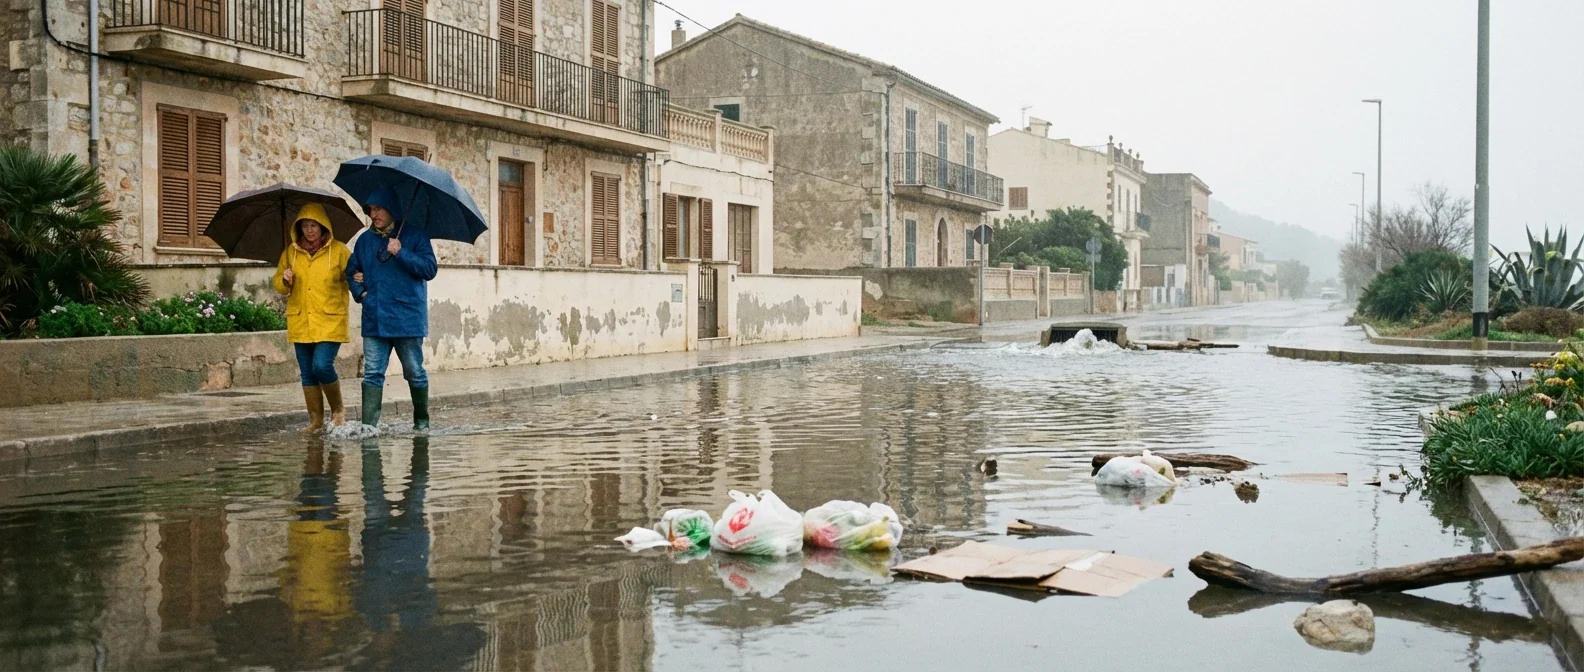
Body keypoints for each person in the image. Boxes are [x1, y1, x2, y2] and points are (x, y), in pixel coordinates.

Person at [345, 187, 438, 430]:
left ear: (391, 210)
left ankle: (421, 423)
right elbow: (351, 272)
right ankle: (369, 427)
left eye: (378, 209)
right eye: (371, 209)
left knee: (414, 372)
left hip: (407, 318)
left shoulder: (416, 236)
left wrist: (401, 252)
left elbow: (429, 270)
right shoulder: (365, 240)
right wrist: (362, 293)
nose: (373, 214)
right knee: (372, 374)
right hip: (375, 317)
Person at [272, 203, 352, 431]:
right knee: (307, 372)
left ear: (323, 226)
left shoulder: (339, 251)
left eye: (314, 225)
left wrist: (358, 278)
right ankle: (315, 420)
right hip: (301, 320)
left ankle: (338, 411)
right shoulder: (290, 252)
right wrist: (284, 280)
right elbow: (278, 284)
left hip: (330, 319)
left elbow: (354, 277)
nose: (309, 230)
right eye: (305, 226)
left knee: (322, 366)